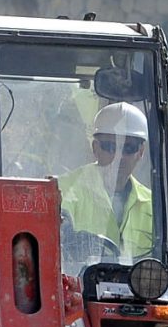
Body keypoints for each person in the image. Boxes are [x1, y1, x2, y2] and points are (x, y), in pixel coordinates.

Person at [57, 101, 156, 263]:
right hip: (76, 287)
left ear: (141, 152)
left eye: (128, 148)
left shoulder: (152, 205)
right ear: (95, 148)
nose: (119, 157)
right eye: (110, 147)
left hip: (133, 288)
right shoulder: (62, 190)